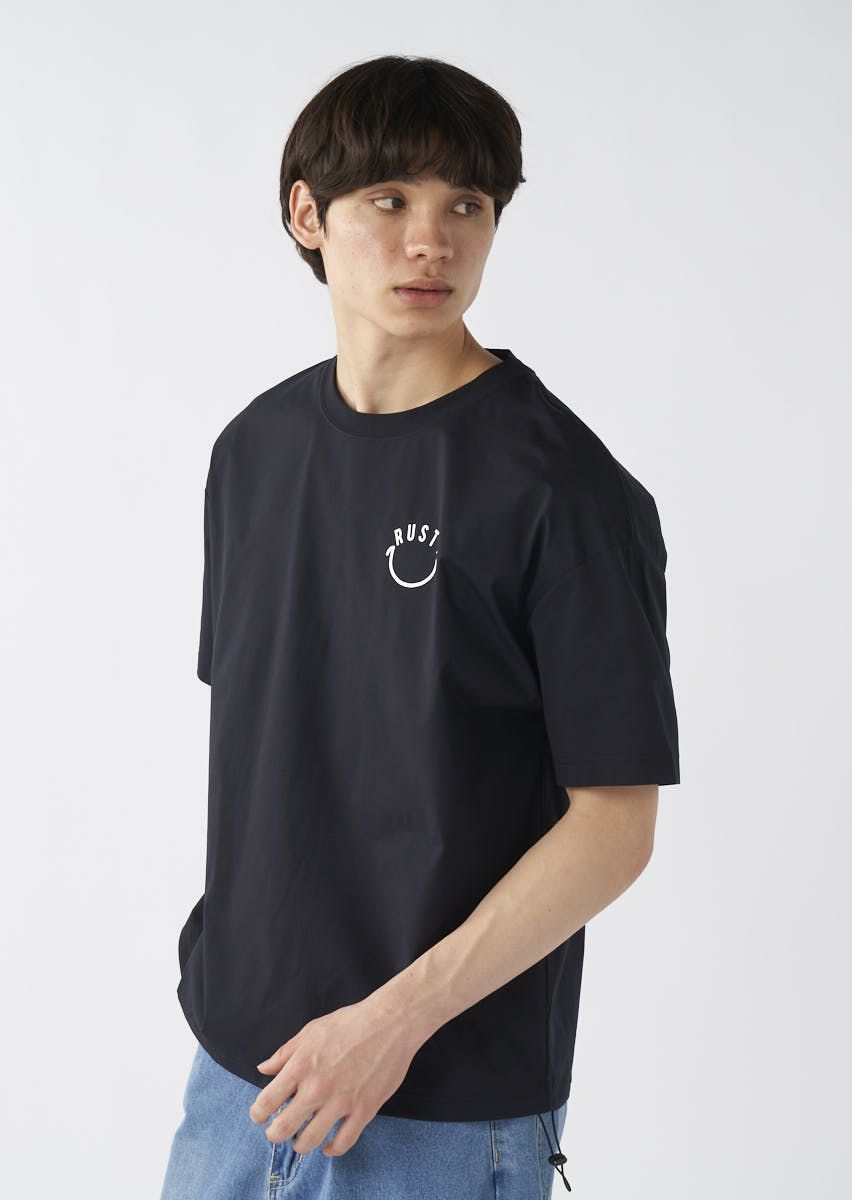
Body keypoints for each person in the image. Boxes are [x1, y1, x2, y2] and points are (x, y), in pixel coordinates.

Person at [160, 53, 680, 1200]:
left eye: (466, 206)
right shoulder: (251, 455)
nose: (431, 242)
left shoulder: (567, 494)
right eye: (390, 200)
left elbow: (615, 825)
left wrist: (391, 1023)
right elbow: (280, 762)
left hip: (438, 1106)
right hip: (234, 1078)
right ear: (307, 215)